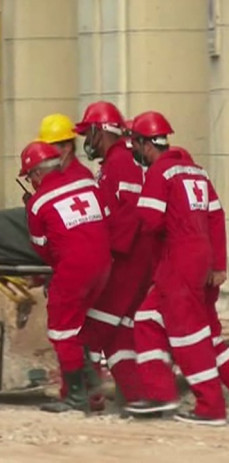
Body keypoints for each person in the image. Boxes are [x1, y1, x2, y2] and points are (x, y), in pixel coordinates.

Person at [125, 111, 227, 426]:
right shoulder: (195, 172)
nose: (135, 151)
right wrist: (219, 264)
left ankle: (210, 407)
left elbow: (152, 221)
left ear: (145, 144)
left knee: (188, 334)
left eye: (136, 145)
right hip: (202, 259)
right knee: (149, 318)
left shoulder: (160, 173)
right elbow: (216, 217)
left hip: (177, 261)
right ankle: (159, 393)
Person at [21, 141, 112, 413]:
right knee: (80, 326)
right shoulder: (87, 184)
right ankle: (90, 384)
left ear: (36, 174)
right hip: (103, 265)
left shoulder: (38, 203)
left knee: (62, 329)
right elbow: (106, 219)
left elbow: (41, 246)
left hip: (73, 268)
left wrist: (59, 269)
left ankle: (75, 395)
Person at [74, 101, 153, 407]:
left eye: (88, 133)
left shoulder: (120, 161)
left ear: (99, 131)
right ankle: (137, 397)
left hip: (126, 260)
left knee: (91, 330)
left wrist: (108, 254)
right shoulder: (116, 163)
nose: (86, 142)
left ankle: (87, 397)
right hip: (130, 258)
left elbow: (130, 212)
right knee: (119, 335)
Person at [35, 113, 93, 178]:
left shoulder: (79, 177)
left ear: (67, 147)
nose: (45, 152)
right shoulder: (56, 176)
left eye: (49, 146)